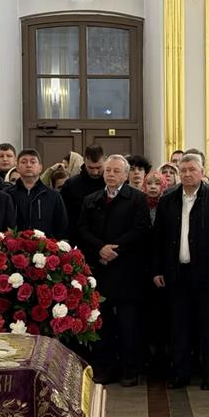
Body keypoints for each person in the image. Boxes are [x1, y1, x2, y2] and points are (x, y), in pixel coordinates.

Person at [152, 153, 209, 391]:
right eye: (183, 169)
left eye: (192, 169)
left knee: (208, 326)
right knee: (179, 326)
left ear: (202, 171)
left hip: (207, 275)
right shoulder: (168, 200)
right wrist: (157, 269)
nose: (187, 174)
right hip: (177, 273)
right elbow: (158, 238)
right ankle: (180, 373)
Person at [78, 155, 151, 387]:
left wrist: (114, 249)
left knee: (129, 324)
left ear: (126, 174)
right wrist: (100, 248)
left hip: (127, 269)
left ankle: (130, 369)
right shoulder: (91, 199)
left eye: (116, 171)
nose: (110, 174)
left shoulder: (138, 198)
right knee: (103, 323)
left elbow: (140, 229)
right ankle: (106, 367)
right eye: (108, 170)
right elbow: (81, 229)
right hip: (101, 269)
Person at [7, 148, 69, 239]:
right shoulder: (7, 195)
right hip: (14, 248)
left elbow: (62, 227)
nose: (28, 165)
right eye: (24, 162)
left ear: (40, 167)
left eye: (33, 162)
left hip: (45, 249)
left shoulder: (53, 196)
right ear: (17, 168)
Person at [61, 145, 107, 244]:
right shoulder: (71, 185)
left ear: (105, 161)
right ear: (84, 162)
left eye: (99, 167)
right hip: (79, 240)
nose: (95, 172)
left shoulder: (111, 183)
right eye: (90, 168)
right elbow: (65, 217)